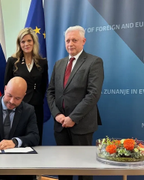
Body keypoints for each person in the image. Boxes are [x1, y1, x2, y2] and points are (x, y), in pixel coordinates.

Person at [47, 25, 104, 180]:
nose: (70, 44)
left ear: (83, 41)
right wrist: (57, 114)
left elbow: (93, 94)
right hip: (60, 125)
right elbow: (50, 92)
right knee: (64, 169)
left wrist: (73, 118)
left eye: (74, 40)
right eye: (67, 40)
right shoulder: (59, 64)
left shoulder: (94, 62)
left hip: (82, 125)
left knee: (84, 170)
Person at [4, 28, 48, 145]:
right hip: (17, 106)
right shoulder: (13, 61)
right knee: (16, 139)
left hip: (36, 107)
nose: (26, 44)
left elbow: (43, 86)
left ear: (34, 42)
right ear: (19, 44)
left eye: (29, 41)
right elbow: (7, 85)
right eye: (23, 41)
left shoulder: (42, 62)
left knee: (35, 139)